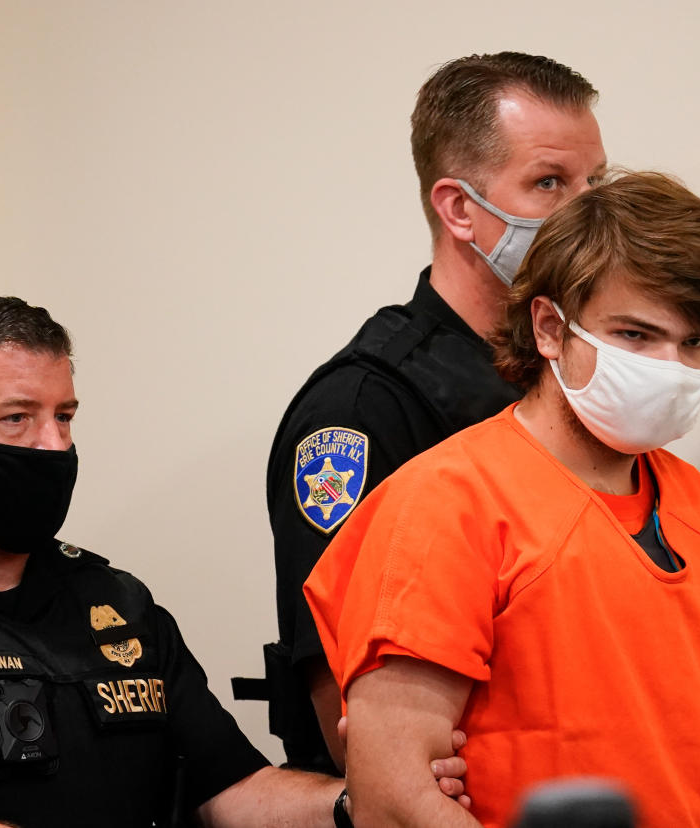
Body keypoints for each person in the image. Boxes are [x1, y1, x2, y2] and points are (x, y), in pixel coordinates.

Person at [0, 293, 464, 827]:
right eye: (16, 418)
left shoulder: (116, 604)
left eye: (63, 416)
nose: (53, 446)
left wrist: (361, 801)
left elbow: (232, 790)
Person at [305, 172, 700, 828]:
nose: (670, 368)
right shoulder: (445, 507)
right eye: (635, 335)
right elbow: (394, 798)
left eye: (695, 342)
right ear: (549, 328)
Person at [261, 51, 607, 775]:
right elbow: (344, 702)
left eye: (594, 184)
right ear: (458, 209)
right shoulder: (364, 411)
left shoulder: (576, 376)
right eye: (550, 184)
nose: (587, 215)